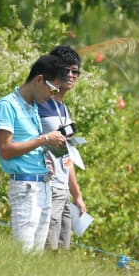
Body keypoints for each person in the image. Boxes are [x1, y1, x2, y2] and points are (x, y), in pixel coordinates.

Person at [0, 54, 69, 252]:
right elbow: (6, 150)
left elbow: (29, 144)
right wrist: (44, 139)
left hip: (43, 185)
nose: (51, 96)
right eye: (51, 89)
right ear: (39, 80)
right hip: (25, 186)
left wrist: (47, 151)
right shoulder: (7, 105)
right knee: (23, 251)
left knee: (35, 256)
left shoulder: (34, 107)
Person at [39, 45, 86, 250]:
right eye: (66, 69)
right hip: (47, 185)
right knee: (47, 246)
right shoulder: (40, 103)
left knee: (61, 251)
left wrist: (77, 195)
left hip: (63, 189)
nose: (70, 75)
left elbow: (67, 155)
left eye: (75, 71)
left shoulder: (63, 109)